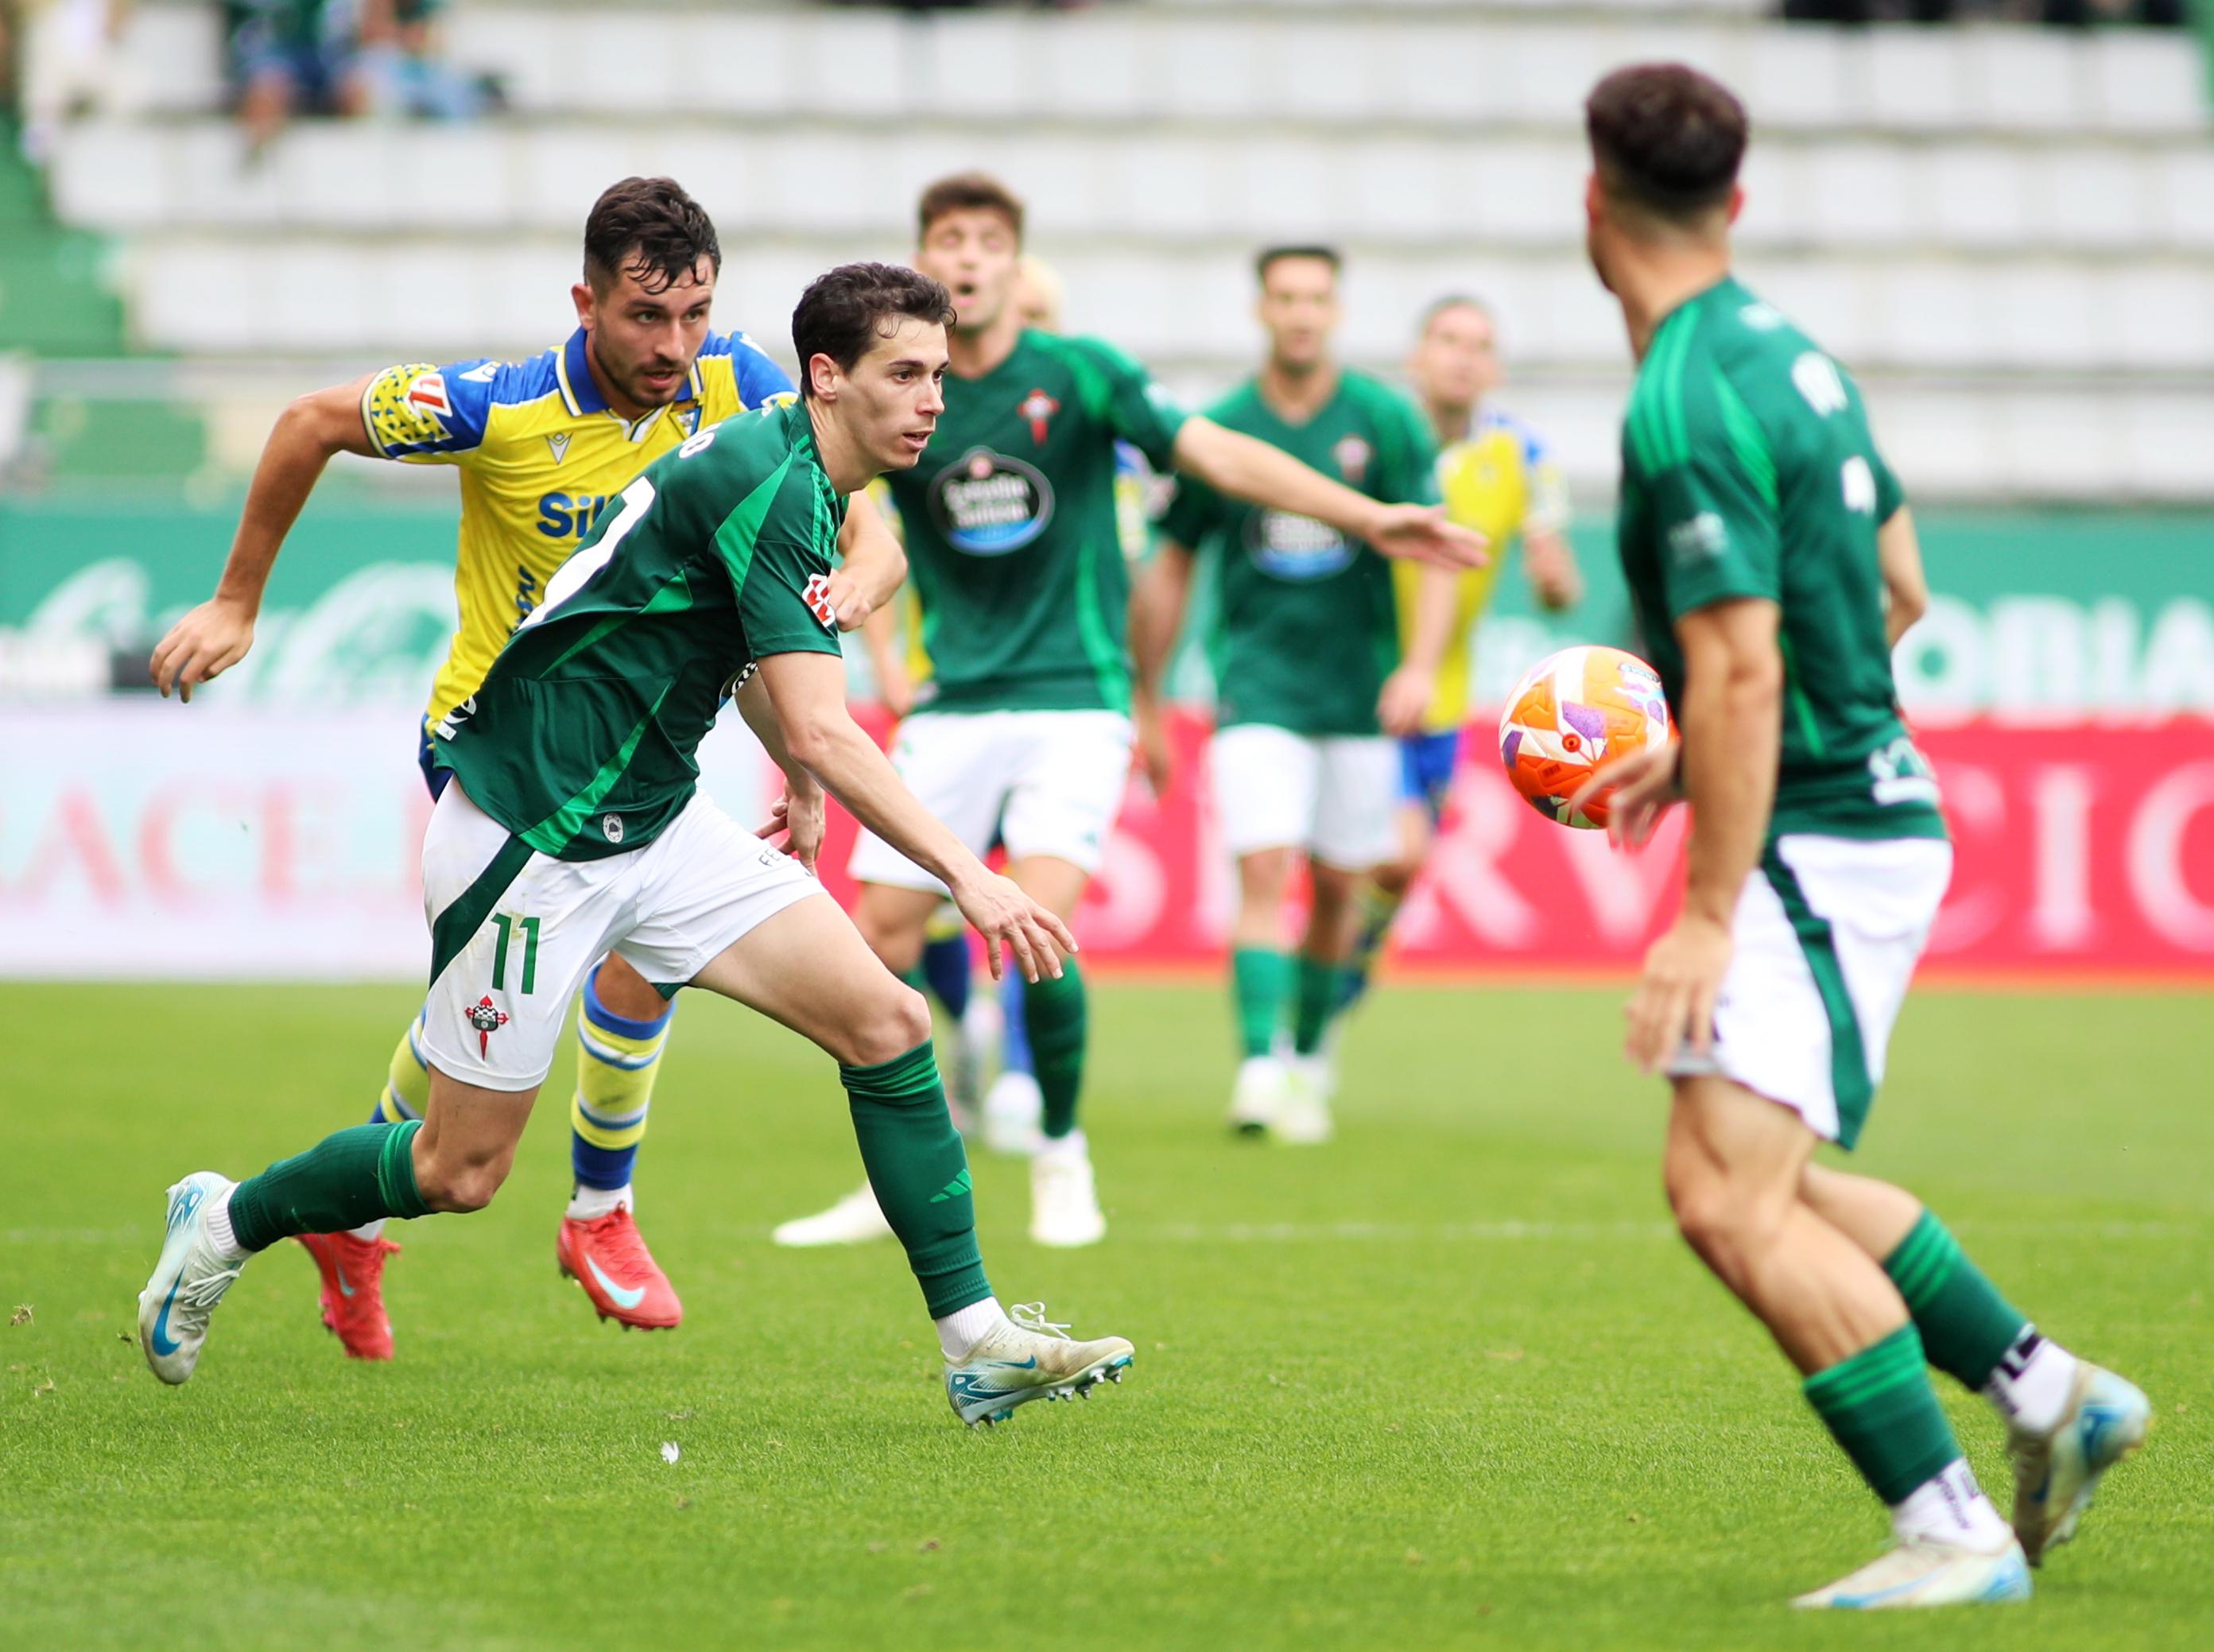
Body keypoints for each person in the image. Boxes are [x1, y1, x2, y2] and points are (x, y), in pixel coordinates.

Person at [137, 262, 1136, 1428]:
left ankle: (976, 1345)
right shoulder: (768, 476)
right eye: (904, 375)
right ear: (827, 377)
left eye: (939, 374)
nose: (932, 400)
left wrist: (803, 784)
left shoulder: (793, 465)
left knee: (889, 1022)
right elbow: (818, 711)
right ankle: (225, 1218)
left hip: (656, 825)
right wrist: (969, 873)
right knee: (458, 1170)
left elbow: (754, 659)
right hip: (532, 835)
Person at [149, 176, 906, 1355]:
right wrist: (239, 600)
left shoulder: (742, 383)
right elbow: (307, 423)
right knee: (606, 962)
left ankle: (499, 1209)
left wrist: (862, 580)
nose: (677, 346)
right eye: (648, 317)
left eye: (697, 313)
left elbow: (852, 523)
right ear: (585, 301)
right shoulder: (496, 407)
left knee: (590, 967)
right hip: (497, 751)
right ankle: (593, 1208)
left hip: (645, 747)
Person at [1572, 62, 2147, 1608]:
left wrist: (1701, 907)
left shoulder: (1683, 397)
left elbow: (1750, 663)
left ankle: (1952, 1528)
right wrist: (1708, 754)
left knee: (1724, 1197)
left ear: (1592, 203)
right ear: (1734, 201)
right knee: (1776, 1177)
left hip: (1819, 841)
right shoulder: (1794, 359)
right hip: (1853, 812)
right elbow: (1901, 590)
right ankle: (2051, 1395)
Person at [774, 175, 1482, 1247]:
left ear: (1015, 262)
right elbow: (870, 527)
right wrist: (866, 596)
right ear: (924, 258)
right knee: (876, 935)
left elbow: (1214, 456)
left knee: (1035, 925)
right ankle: (912, 1163)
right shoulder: (908, 387)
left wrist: (1368, 515)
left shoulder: (1082, 374)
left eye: (988, 241)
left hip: (1074, 696)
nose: (968, 258)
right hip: (958, 698)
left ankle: (1060, 1146)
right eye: (948, 240)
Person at [1131, 246, 1451, 1146]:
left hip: (1357, 697)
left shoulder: (1383, 420)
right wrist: (1149, 694)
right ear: (1260, 310)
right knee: (1264, 869)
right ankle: (1258, 1064)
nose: (1301, 313)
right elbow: (1171, 563)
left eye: (1316, 298)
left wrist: (1419, 665)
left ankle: (1311, 1056)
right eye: (1286, 297)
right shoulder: (1223, 427)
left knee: (1342, 889)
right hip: (1256, 688)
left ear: (1336, 310)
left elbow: (1429, 548)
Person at [1337, 296, 1583, 1018]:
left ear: (1495, 366)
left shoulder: (1522, 455)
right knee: (1395, 855)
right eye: (1446, 340)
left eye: (1478, 344)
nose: (1462, 356)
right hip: (1362, 682)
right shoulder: (1373, 440)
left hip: (1442, 697)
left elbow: (1561, 587)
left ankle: (1332, 996)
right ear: (1417, 356)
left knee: (1397, 875)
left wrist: (1552, 577)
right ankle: (1315, 998)